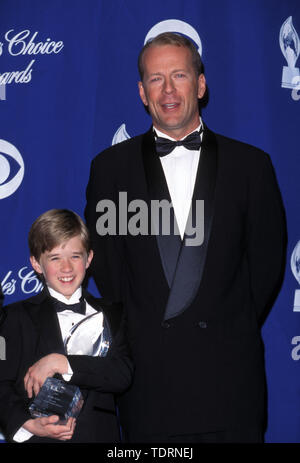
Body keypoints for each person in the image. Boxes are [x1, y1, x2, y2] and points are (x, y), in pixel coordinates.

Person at [85, 32, 287, 443]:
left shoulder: (251, 166)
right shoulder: (110, 169)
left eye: (179, 74)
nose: (169, 89)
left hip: (230, 381)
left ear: (201, 84)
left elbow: (265, 268)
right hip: (148, 383)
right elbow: (108, 268)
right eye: (156, 78)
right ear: (142, 93)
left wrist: (222, 321)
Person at [0, 209, 133, 443]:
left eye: (75, 256)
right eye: (55, 258)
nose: (67, 268)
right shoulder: (14, 317)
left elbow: (121, 374)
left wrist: (62, 362)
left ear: (89, 258)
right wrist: (27, 424)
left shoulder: (114, 313)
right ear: (36, 264)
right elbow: (1, 384)